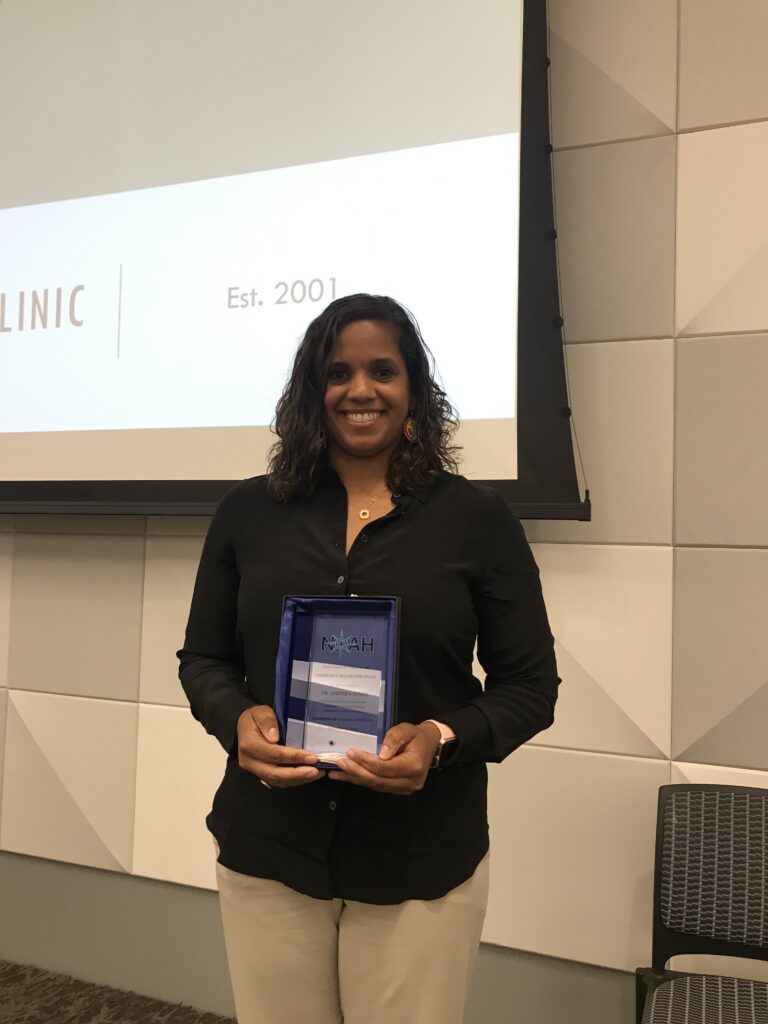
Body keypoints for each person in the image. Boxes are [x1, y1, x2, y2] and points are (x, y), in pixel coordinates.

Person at [178, 293, 559, 1024]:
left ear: (413, 388)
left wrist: (441, 740)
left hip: (420, 857)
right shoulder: (247, 514)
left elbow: (529, 688)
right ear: (311, 392)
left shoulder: (477, 521)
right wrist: (237, 720)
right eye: (338, 372)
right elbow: (203, 659)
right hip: (269, 849)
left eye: (382, 371)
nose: (360, 390)